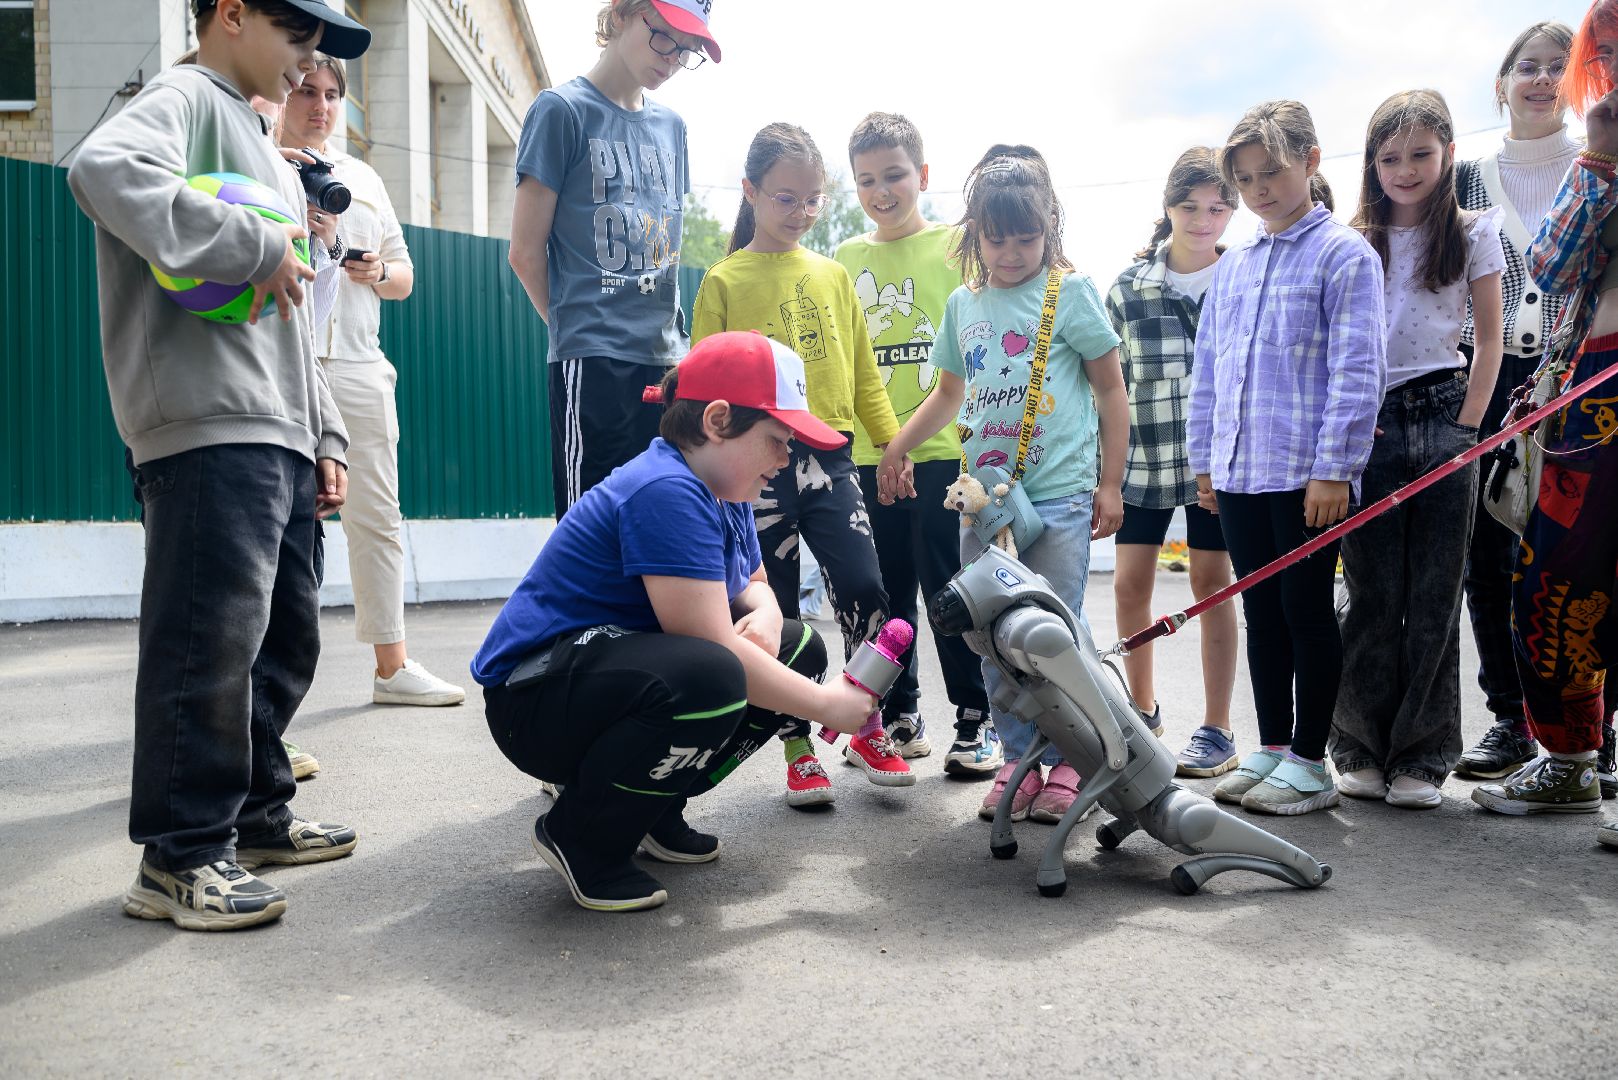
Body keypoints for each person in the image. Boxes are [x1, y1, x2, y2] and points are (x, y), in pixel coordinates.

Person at [66, 0, 371, 931]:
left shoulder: (254, 134)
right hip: (204, 425)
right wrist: (255, 241)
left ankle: (254, 815)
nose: (305, 63)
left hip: (274, 425)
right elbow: (100, 169)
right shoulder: (188, 96)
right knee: (209, 643)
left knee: (282, 642)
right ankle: (179, 856)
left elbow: (287, 314)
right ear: (230, 15)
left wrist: (323, 433)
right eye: (297, 38)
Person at [471, 332, 879, 911]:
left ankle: (650, 807)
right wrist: (829, 708)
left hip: (597, 677)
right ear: (717, 420)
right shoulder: (666, 489)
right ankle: (582, 833)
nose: (787, 459)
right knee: (710, 674)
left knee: (797, 649)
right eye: (776, 440)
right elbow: (708, 643)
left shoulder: (726, 490)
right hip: (532, 701)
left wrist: (763, 617)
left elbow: (755, 588)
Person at [876, 145, 1129, 825]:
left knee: (1054, 637)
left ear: (1050, 227)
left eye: (1027, 237)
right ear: (974, 233)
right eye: (997, 237)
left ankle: (1073, 761)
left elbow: (1111, 390)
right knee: (988, 636)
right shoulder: (964, 303)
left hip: (1061, 496)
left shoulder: (1070, 292)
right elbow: (947, 393)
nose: (1012, 251)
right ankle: (1020, 760)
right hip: (983, 505)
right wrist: (898, 443)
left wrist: (1112, 483)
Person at [690, 123, 905, 806]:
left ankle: (866, 719)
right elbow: (698, 391)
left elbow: (865, 377)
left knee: (866, 586)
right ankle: (796, 746)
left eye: (814, 200)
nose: (802, 212)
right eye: (787, 198)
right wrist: (706, 480)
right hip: (756, 468)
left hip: (832, 459)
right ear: (750, 191)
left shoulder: (834, 274)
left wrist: (893, 446)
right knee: (776, 615)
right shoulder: (723, 279)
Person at [1188, 100, 1387, 817]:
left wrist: (1335, 467)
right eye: (1244, 179)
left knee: (1307, 612)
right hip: (1239, 472)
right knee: (1261, 613)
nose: (1258, 189)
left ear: (1310, 160)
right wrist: (1204, 460)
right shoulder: (1233, 267)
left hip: (1308, 476)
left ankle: (1311, 760)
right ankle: (1272, 748)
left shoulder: (1344, 254)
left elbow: (1357, 369)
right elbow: (1206, 369)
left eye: (1270, 171)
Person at [1452, 22, 1617, 798]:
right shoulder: (1470, 177)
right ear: (1502, 82)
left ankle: (1592, 742)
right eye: (1529, 67)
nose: (1544, 79)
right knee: (1510, 556)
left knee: (1580, 562)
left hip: (1580, 369)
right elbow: (1462, 274)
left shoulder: (1594, 151)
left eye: (1562, 66)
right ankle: (1521, 724)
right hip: (1519, 374)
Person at [1332, 90, 1505, 809]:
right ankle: (1361, 747)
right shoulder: (1352, 238)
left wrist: (1466, 429)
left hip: (1443, 411)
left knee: (1435, 595)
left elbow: (1490, 339)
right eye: (1390, 156)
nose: (1405, 169)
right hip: (1365, 420)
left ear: (1449, 154)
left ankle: (1423, 758)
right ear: (1372, 163)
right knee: (1372, 593)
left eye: (1421, 154)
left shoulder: (1473, 231)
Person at [277, 56, 464, 707]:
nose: (321, 105)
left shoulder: (362, 179)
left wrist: (377, 270)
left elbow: (406, 277)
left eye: (332, 94)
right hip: (283, 360)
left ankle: (392, 668)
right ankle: (261, 697)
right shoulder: (259, 164)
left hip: (357, 362)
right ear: (284, 91)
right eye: (307, 90)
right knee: (279, 524)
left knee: (378, 516)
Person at [833, 111, 998, 777]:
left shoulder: (960, 248)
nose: (882, 190)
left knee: (949, 592)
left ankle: (975, 719)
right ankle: (899, 715)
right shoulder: (844, 259)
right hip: (870, 457)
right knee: (884, 595)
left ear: (923, 175)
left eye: (895, 175)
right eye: (867, 180)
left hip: (942, 457)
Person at [508, 0, 719, 517]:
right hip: (595, 359)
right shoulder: (561, 110)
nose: (673, 57)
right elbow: (524, 252)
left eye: (687, 48)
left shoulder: (674, 127)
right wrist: (577, 330)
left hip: (669, 361)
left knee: (664, 521)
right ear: (624, 14)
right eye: (665, 35)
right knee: (592, 528)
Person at [1104, 148, 1241, 779]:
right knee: (1131, 586)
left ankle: (1217, 728)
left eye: (1217, 207)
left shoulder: (1243, 276)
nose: (1202, 219)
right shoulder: (1129, 290)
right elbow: (1112, 385)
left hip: (1221, 461)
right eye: (1189, 206)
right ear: (1168, 208)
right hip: (1145, 457)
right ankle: (1142, 709)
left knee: (1212, 586)